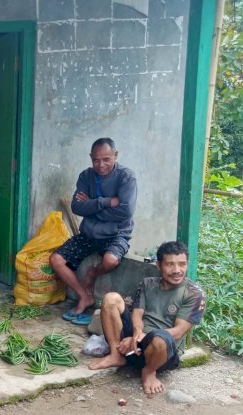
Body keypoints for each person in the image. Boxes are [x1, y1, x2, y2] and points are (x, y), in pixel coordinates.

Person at [89, 241, 206, 395]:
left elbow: (178, 332)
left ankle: (149, 372)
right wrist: (136, 334)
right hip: (136, 342)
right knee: (111, 298)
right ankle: (116, 355)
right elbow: (137, 313)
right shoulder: (147, 284)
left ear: (187, 264)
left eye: (182, 264)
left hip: (161, 352)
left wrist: (141, 338)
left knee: (159, 339)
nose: (177, 270)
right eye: (170, 264)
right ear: (159, 265)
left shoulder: (194, 293)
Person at [50, 138, 137, 325]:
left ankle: (92, 274)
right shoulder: (86, 176)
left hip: (116, 234)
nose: (101, 165)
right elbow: (76, 207)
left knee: (111, 260)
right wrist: (105, 202)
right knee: (56, 259)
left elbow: (125, 211)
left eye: (106, 159)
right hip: (89, 234)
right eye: (96, 160)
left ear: (116, 155)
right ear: (90, 158)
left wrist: (91, 205)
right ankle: (84, 296)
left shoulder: (126, 177)